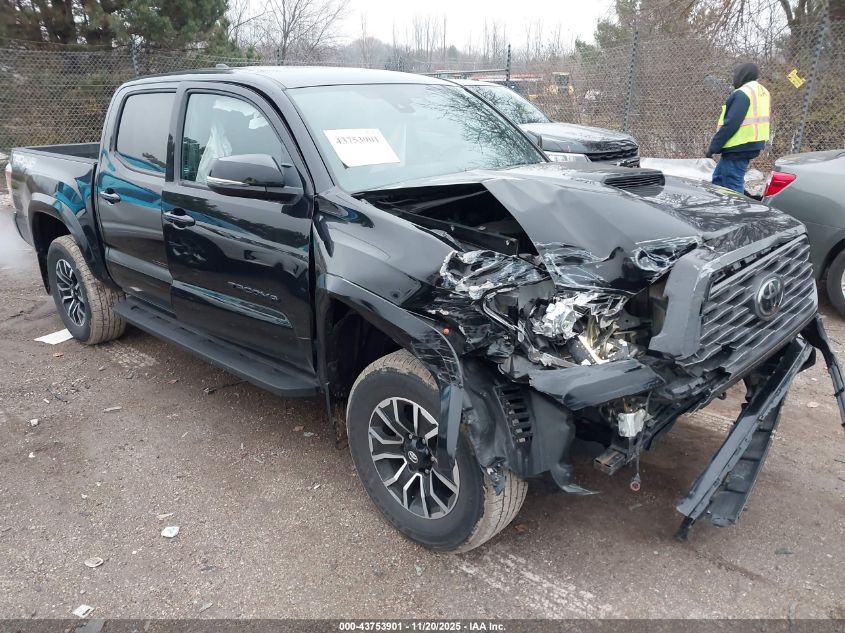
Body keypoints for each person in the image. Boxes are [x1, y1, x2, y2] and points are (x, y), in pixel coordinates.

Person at [706, 62, 770, 194]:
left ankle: (737, 213)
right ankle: (718, 208)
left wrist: (713, 148)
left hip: (738, 146)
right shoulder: (762, 91)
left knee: (732, 185)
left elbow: (731, 124)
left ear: (742, 75)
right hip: (751, 144)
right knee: (719, 179)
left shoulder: (743, 93)